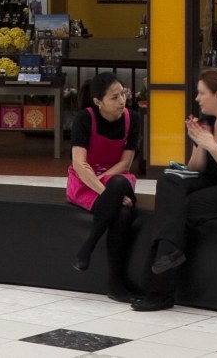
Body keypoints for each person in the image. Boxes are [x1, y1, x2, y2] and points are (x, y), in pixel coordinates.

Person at [125, 69, 217, 311]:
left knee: (181, 209)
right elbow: (196, 168)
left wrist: (212, 146)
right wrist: (200, 144)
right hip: (215, 182)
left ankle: (160, 290)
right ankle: (170, 253)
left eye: (202, 93)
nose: (197, 98)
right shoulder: (210, 122)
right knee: (168, 181)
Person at [67, 74, 144, 288]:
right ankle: (116, 284)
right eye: (114, 97)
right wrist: (107, 192)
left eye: (123, 94)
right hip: (86, 181)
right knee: (122, 212)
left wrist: (111, 190)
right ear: (98, 102)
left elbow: (126, 163)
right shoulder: (84, 118)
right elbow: (80, 164)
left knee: (119, 182)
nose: (122, 101)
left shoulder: (133, 118)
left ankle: (87, 248)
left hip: (116, 176)